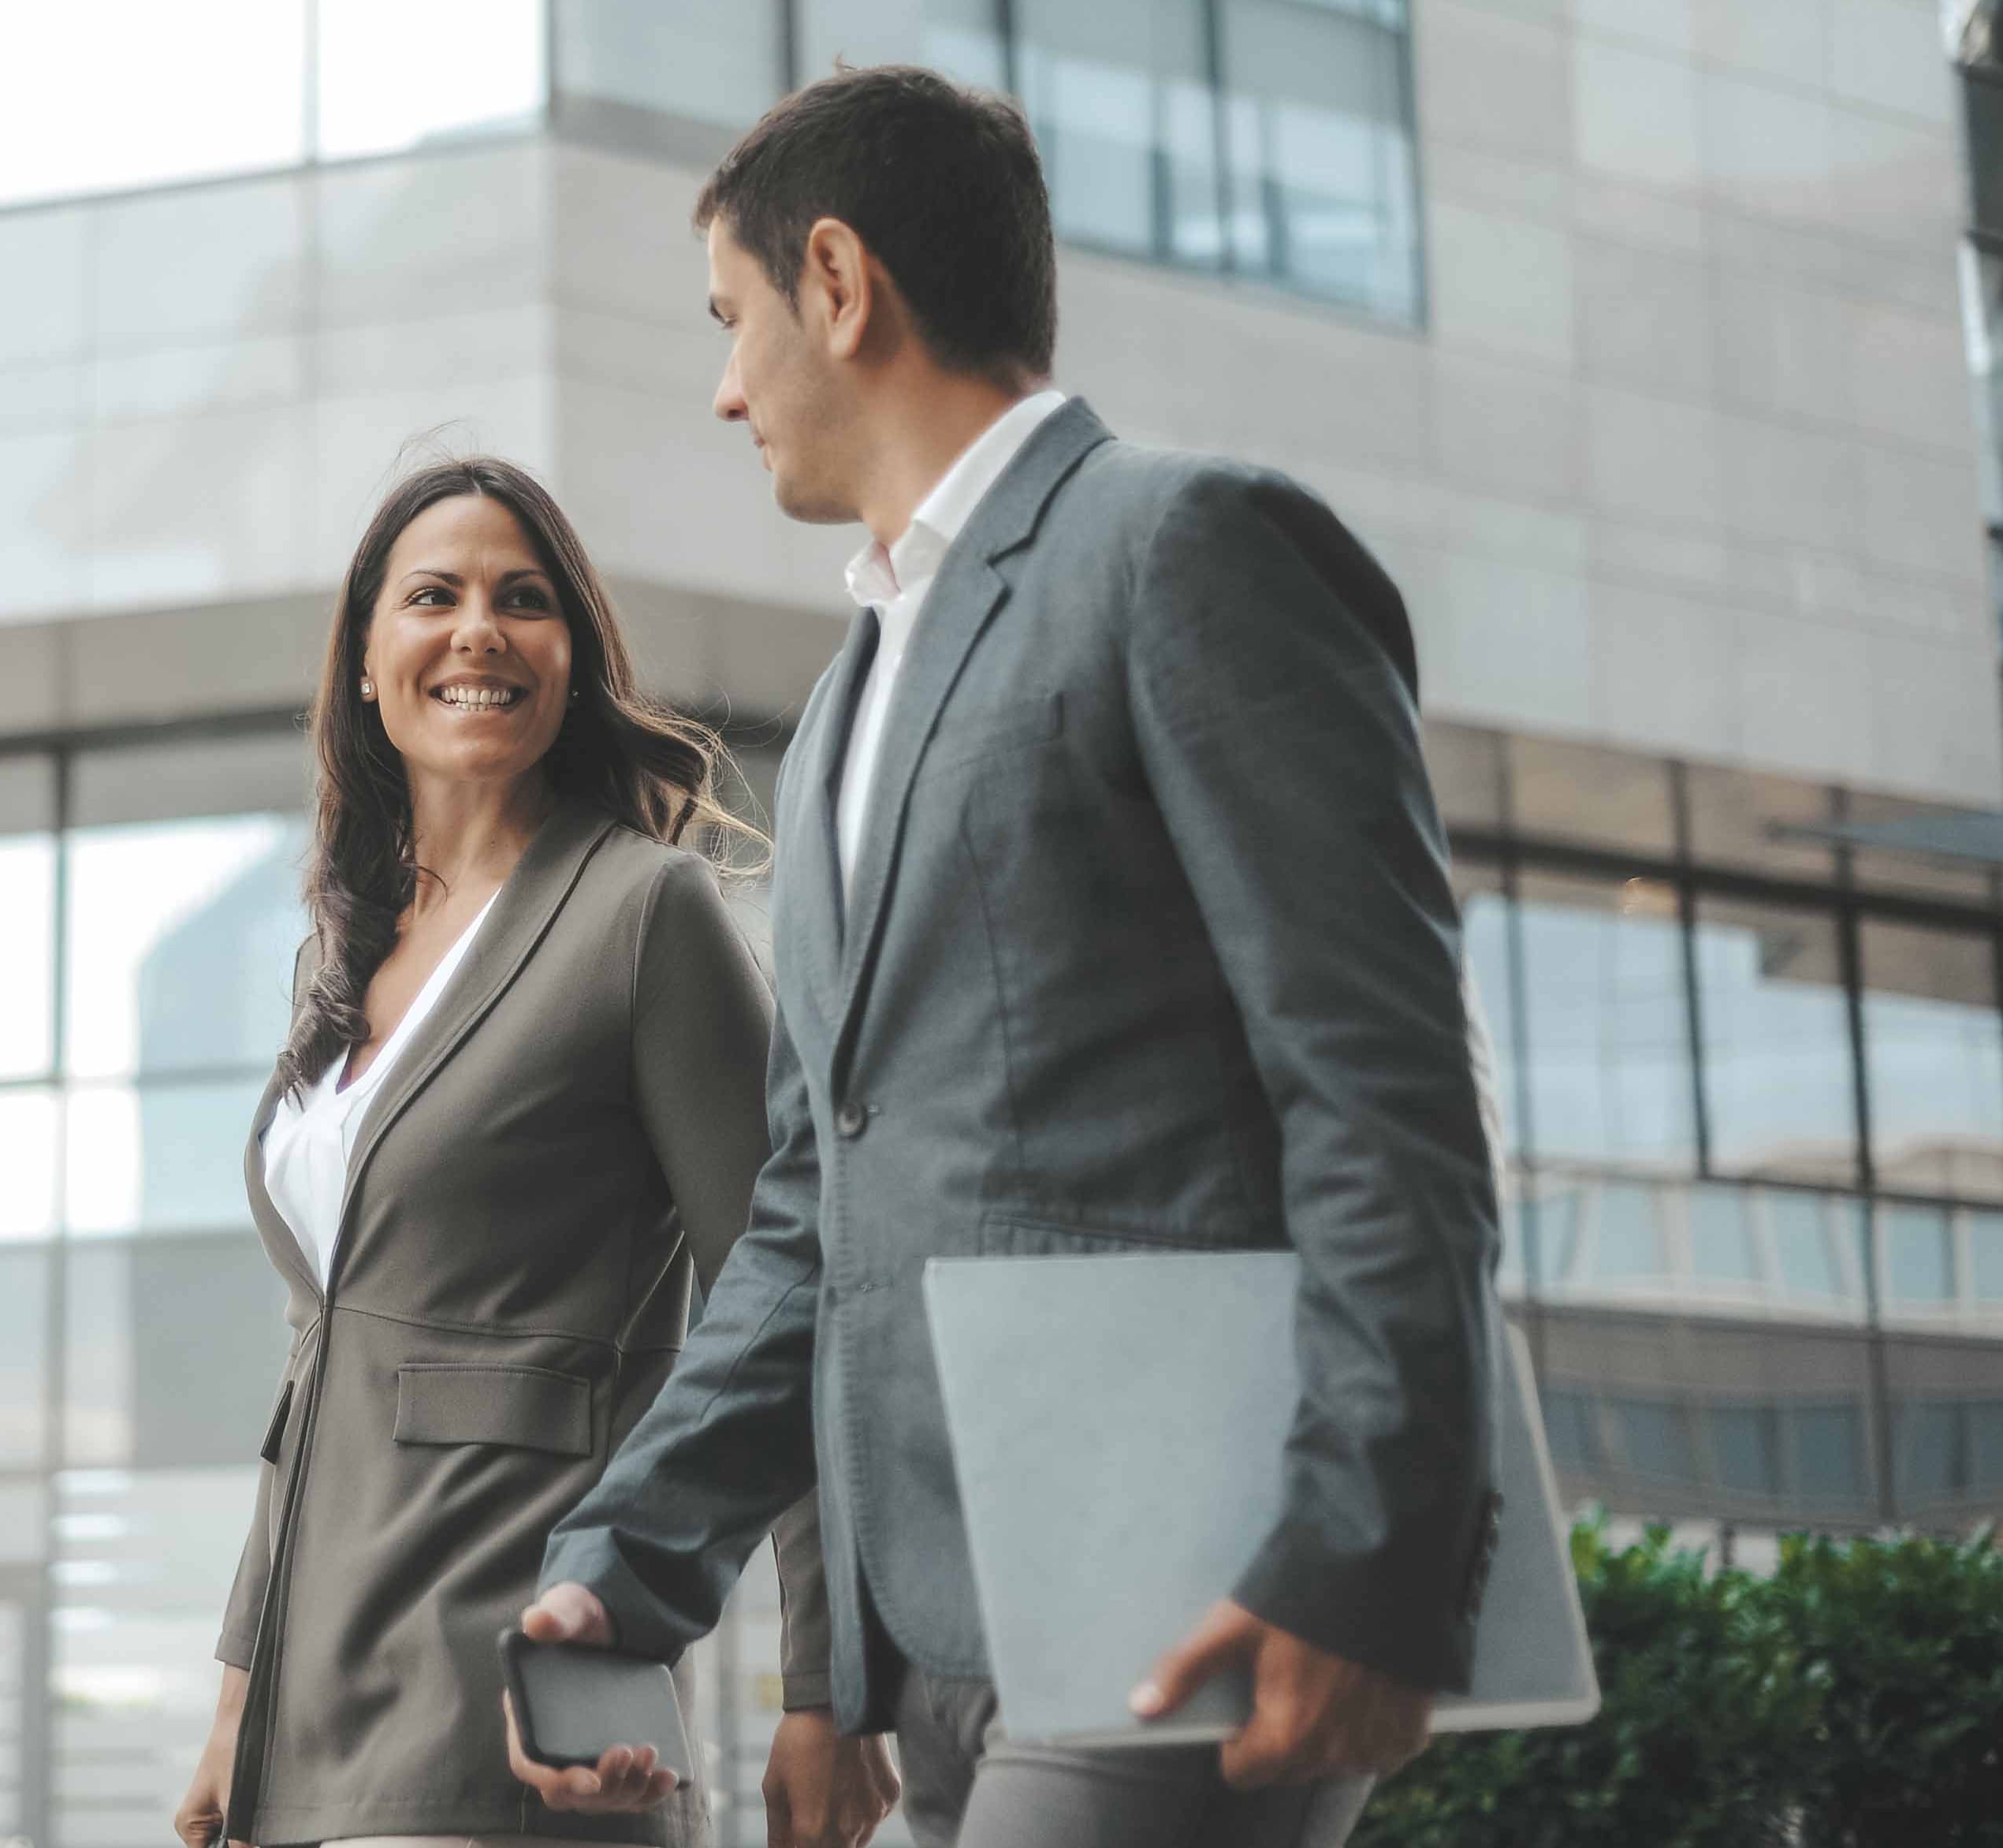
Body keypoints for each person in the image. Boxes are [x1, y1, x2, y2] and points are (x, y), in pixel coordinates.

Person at [504, 66, 1504, 1848]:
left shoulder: (1184, 545)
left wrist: (1371, 1548)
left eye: (732, 320)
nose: (723, 387)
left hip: (1194, 1579)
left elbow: (1380, 1085)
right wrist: (626, 1561)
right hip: (940, 1630)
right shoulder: (832, 722)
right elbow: (815, 1200)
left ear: (837, 279)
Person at [174, 457, 899, 1848]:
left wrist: (829, 1688)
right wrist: (233, 1705)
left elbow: (791, 1299)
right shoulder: (345, 955)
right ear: (369, 665)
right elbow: (309, 1376)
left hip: (522, 1683)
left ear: (573, 661)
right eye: (431, 597)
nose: (478, 631)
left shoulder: (645, 915)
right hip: (309, 1717)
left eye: (525, 601)